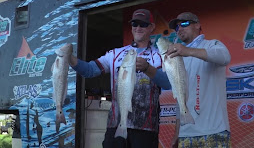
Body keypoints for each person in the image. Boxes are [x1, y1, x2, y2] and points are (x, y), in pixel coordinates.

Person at [69, 9, 171, 148]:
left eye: (143, 24)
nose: (138, 28)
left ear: (152, 27)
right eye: (135, 24)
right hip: (115, 124)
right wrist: (69, 58)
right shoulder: (116, 53)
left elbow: (168, 84)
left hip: (146, 127)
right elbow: (89, 70)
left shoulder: (159, 55)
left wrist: (148, 68)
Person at [168, 12, 231, 148]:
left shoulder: (212, 44)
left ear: (197, 25)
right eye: (177, 27)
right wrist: (177, 133)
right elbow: (180, 97)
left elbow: (225, 57)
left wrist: (189, 51)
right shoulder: (177, 56)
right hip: (185, 134)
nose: (180, 29)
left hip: (214, 131)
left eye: (184, 24)